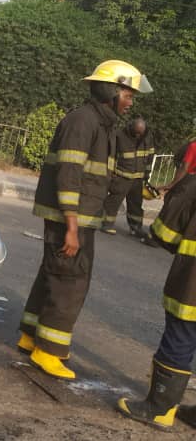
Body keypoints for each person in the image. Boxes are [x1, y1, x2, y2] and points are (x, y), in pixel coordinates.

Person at [17, 60, 153, 380]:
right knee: (70, 282)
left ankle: (30, 336)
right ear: (110, 91)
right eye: (127, 94)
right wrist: (72, 227)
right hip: (72, 218)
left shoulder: (101, 124)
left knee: (53, 274)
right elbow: (69, 174)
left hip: (79, 217)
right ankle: (48, 351)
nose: (130, 102)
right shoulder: (83, 122)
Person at [117, 135, 196, 430]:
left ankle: (159, 408)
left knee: (180, 338)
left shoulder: (192, 186)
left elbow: (164, 234)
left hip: (192, 286)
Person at [101, 117, 155, 237]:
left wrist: (146, 175)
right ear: (130, 127)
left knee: (136, 205)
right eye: (136, 132)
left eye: (140, 133)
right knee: (113, 202)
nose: (138, 135)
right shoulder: (119, 135)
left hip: (138, 179)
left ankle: (136, 227)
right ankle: (106, 224)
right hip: (121, 176)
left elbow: (150, 157)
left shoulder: (148, 137)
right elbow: (111, 155)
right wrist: (110, 174)